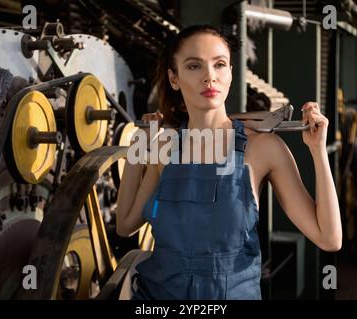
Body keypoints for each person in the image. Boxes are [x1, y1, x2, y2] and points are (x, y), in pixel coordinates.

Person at [116, 24, 342, 300]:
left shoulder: (262, 148)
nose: (210, 77)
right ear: (174, 78)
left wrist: (318, 152)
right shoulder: (164, 146)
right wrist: (138, 145)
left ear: (231, 73)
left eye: (220, 64)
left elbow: (329, 239)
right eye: (194, 66)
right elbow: (126, 224)